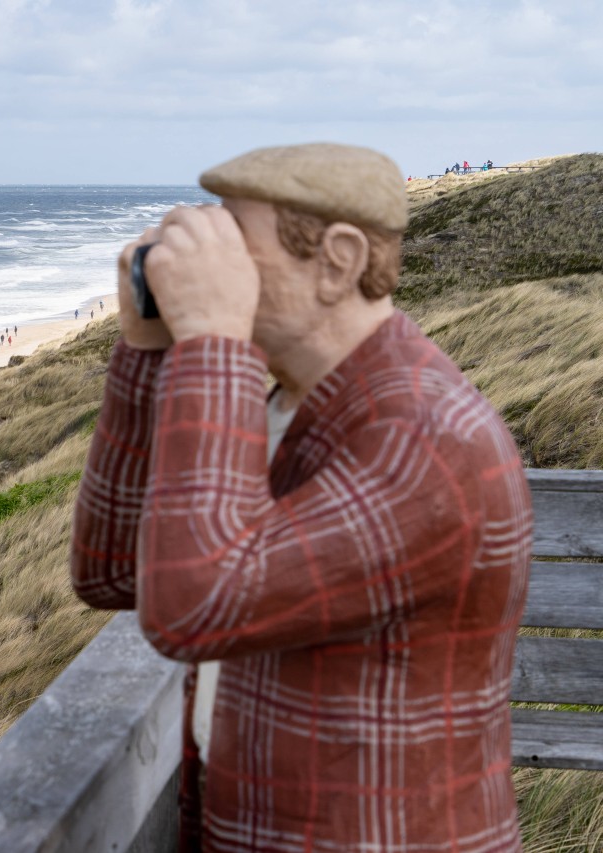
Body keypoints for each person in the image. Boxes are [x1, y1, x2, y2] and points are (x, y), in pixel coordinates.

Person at [71, 142, 531, 852]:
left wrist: (214, 343)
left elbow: (193, 608)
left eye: (236, 248)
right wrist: (146, 347)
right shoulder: (296, 406)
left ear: (340, 260)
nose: (211, 272)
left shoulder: (426, 439)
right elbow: (113, 571)